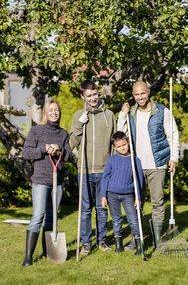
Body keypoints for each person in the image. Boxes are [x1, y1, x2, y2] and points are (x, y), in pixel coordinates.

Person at [117, 81, 179, 248]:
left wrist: (174, 157)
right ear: (133, 95)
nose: (140, 97)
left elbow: (172, 135)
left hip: (157, 165)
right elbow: (120, 133)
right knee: (136, 202)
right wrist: (123, 114)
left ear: (148, 92)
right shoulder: (132, 113)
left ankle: (157, 239)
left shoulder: (162, 111)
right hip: (136, 165)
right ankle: (136, 238)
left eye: (142, 93)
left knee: (157, 201)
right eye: (136, 95)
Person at [22, 98, 71, 266]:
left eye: (56, 110)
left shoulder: (63, 133)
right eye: (51, 110)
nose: (54, 113)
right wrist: (44, 149)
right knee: (37, 216)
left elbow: (69, 156)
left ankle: (48, 251)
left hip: (58, 181)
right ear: (45, 112)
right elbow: (26, 153)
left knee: (51, 218)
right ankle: (28, 257)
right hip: (41, 180)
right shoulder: (36, 131)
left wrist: (60, 150)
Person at [69, 80, 116, 256]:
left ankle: (102, 241)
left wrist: (112, 166)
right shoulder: (78, 115)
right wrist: (80, 123)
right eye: (89, 96)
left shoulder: (109, 115)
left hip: (104, 170)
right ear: (83, 96)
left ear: (98, 93)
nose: (93, 98)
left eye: (95, 94)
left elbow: (113, 143)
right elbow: (73, 141)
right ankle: (86, 243)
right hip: (85, 170)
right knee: (85, 210)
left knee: (102, 208)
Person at [101, 131, 143, 254]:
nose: (122, 148)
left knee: (133, 219)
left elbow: (138, 181)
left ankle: (139, 246)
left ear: (128, 143)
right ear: (114, 147)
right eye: (118, 146)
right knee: (116, 219)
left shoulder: (135, 160)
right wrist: (103, 195)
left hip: (128, 195)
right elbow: (105, 178)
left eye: (124, 145)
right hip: (112, 193)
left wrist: (138, 197)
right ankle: (118, 246)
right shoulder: (112, 160)